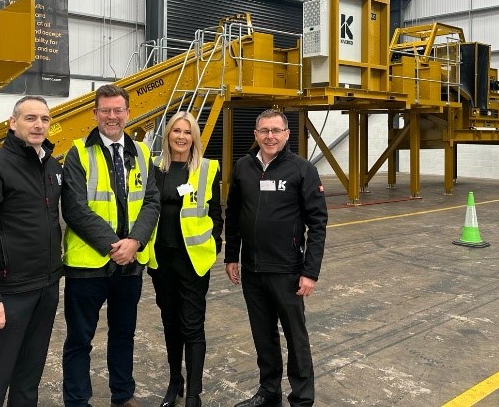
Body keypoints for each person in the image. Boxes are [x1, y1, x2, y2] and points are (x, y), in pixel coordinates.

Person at [61, 83, 161, 407]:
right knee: (79, 339)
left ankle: (123, 394)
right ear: (95, 114)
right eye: (106, 110)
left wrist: (135, 242)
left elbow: (151, 202)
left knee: (123, 334)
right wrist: (113, 245)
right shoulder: (78, 152)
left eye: (118, 110)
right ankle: (77, 401)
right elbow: (75, 208)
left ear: (128, 113)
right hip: (88, 265)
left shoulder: (143, 153)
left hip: (130, 266)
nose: (112, 116)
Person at [0, 95, 63, 407]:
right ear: (12, 122)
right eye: (30, 118)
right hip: (9, 293)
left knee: (29, 375)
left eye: (44, 119)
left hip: (46, 287)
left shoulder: (51, 165)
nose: (38, 125)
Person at [224, 109, 328, 407]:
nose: (270, 136)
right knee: (263, 334)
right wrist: (232, 255)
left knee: (296, 337)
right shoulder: (243, 167)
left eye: (275, 131)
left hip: (288, 271)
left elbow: (318, 222)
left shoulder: (301, 169)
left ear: (286, 134)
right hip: (253, 270)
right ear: (255, 135)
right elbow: (233, 213)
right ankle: (269, 392)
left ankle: (302, 398)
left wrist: (311, 272)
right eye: (264, 131)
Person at [149, 112, 223, 407]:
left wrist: (214, 243)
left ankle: (193, 392)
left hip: (192, 261)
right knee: (170, 323)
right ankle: (174, 381)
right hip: (161, 260)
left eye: (187, 132)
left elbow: (216, 211)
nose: (181, 136)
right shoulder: (154, 168)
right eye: (175, 131)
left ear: (194, 137)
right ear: (168, 136)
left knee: (192, 325)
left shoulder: (207, 168)